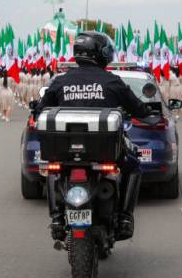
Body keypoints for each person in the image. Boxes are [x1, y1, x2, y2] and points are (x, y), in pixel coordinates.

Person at [36, 31, 151, 241]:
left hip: (65, 152)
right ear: (102, 54)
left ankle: (55, 218)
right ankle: (125, 217)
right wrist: (147, 114)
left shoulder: (60, 81)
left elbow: (40, 110)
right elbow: (138, 108)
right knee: (133, 165)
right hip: (105, 153)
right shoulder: (112, 81)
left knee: (53, 166)